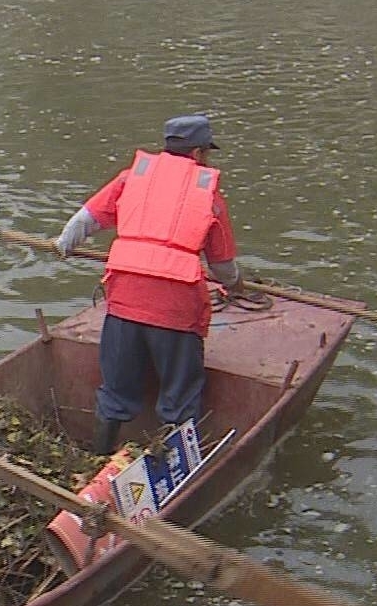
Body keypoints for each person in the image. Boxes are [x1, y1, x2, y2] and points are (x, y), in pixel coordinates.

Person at [54, 113, 243, 454]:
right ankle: (176, 465)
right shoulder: (209, 197)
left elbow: (84, 220)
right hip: (176, 311)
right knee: (180, 398)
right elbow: (223, 266)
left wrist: (63, 245)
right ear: (199, 154)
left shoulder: (132, 179)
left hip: (124, 302)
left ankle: (98, 459)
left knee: (115, 391)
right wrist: (238, 285)